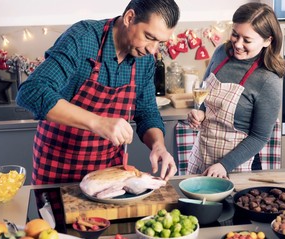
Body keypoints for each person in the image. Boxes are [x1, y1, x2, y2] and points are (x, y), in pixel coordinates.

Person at [16, 0, 179, 185]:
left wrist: (158, 146)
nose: (152, 49)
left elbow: (147, 111)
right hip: (59, 166)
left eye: (160, 42)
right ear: (129, 18)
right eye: (149, 37)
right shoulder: (83, 38)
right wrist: (98, 122)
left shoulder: (145, 59)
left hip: (109, 172)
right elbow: (32, 92)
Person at [187, 2, 285, 178]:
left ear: (267, 40)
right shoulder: (221, 53)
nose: (238, 44)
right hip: (201, 155)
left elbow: (259, 137)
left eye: (247, 40)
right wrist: (201, 114)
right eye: (235, 34)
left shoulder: (268, 80)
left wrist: (224, 165)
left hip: (235, 167)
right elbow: (204, 95)